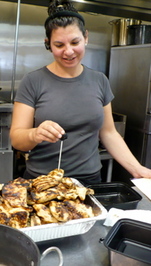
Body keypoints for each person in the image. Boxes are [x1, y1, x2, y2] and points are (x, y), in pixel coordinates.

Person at [10, 0, 151, 185]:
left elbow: (109, 133)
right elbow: (17, 139)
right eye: (59, 45)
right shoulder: (33, 81)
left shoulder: (99, 80)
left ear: (86, 37)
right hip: (43, 183)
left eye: (75, 42)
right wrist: (35, 134)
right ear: (48, 44)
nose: (69, 51)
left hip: (89, 182)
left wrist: (137, 169)